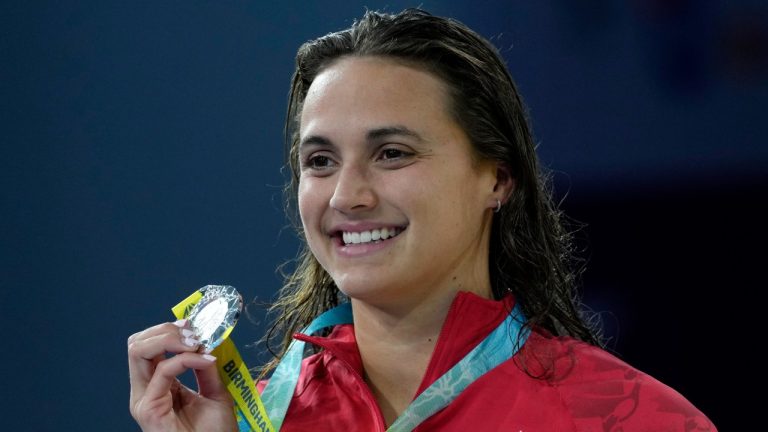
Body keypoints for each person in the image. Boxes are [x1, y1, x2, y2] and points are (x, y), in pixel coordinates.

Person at [128, 8, 716, 431]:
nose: (347, 196)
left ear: (497, 178)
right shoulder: (246, 422)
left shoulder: (633, 419)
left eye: (392, 153)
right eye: (321, 160)